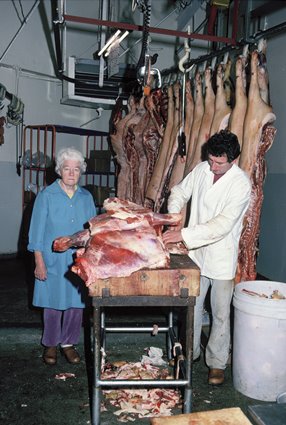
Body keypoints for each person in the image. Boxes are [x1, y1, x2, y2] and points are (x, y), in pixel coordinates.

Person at [162, 130, 251, 385]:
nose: (213, 166)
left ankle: (217, 363)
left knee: (221, 313)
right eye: (211, 160)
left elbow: (221, 225)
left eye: (219, 163)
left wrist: (183, 235)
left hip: (222, 257)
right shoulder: (202, 169)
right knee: (192, 309)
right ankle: (190, 355)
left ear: (233, 160)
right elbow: (179, 191)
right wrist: (174, 214)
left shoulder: (240, 184)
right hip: (196, 255)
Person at [28, 147, 96, 365]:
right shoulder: (46, 196)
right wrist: (39, 262)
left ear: (81, 172)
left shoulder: (86, 197)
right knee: (52, 303)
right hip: (52, 259)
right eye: (67, 168)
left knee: (76, 304)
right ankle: (50, 343)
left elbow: (92, 231)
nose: (71, 173)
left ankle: (68, 343)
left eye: (76, 169)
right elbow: (36, 232)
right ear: (59, 170)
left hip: (78, 259)